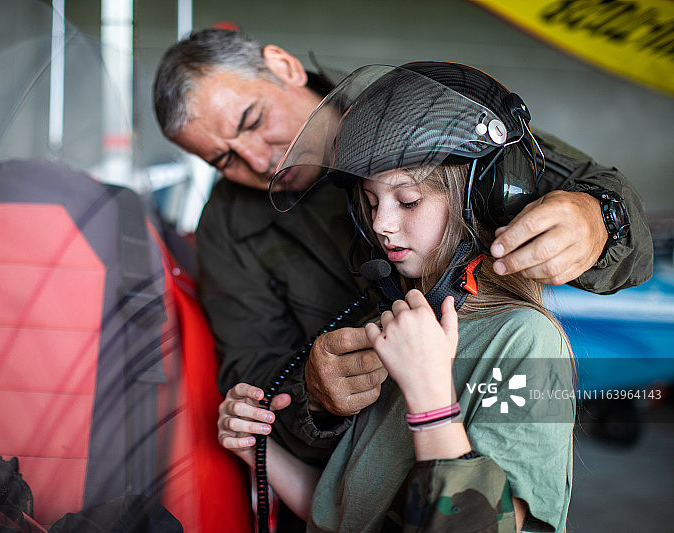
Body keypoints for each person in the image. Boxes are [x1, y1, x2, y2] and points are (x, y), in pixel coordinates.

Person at [153, 29, 650, 466]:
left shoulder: (423, 106)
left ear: (283, 66)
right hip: (362, 467)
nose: (258, 161)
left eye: (253, 120)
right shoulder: (227, 225)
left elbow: (607, 208)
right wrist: (312, 394)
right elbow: (251, 372)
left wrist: (598, 217)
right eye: (223, 160)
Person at [218, 62, 575, 532]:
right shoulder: (392, 324)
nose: (382, 224)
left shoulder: (523, 342)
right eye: (371, 202)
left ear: (478, 198)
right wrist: (255, 448)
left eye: (408, 201)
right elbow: (344, 515)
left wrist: (429, 398)